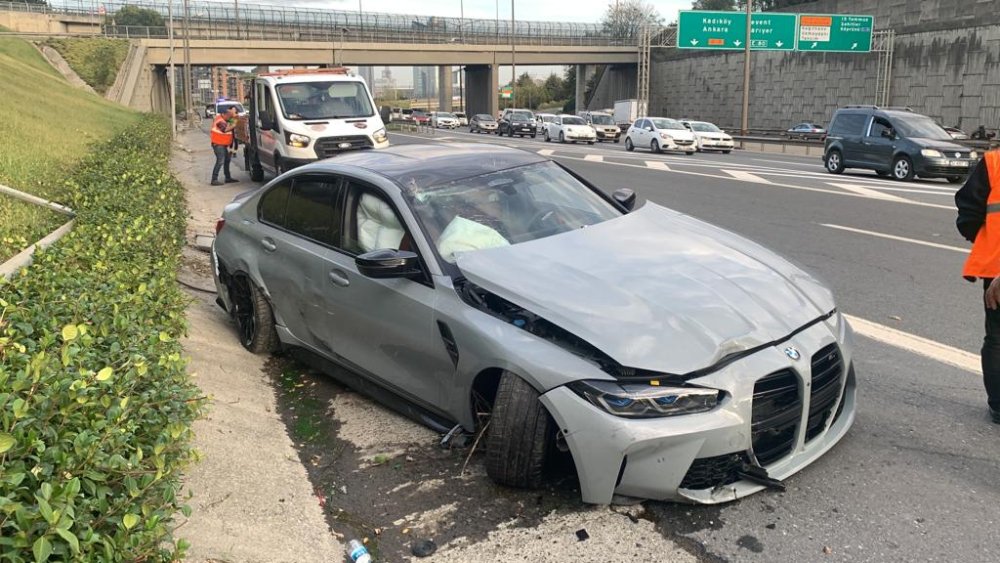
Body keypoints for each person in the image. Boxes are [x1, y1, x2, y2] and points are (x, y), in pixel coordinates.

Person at [956, 149, 1000, 423]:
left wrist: (983, 240)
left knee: (997, 338)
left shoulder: (994, 162)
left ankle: (998, 405)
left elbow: (968, 209)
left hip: (996, 266)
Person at [210, 105, 239, 186]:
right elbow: (225, 130)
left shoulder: (224, 119)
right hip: (218, 145)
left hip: (222, 145)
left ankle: (228, 177)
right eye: (229, 116)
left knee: (227, 160)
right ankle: (214, 179)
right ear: (225, 114)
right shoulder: (220, 121)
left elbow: (232, 120)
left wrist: (234, 117)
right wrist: (234, 124)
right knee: (220, 161)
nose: (229, 118)